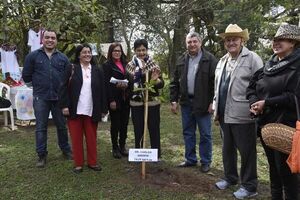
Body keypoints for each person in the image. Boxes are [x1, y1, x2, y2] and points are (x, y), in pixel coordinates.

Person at [247, 23, 300, 200]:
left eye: (281, 39)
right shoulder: (268, 66)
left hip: (287, 126)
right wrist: (254, 102)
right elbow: (251, 87)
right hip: (266, 126)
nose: (276, 42)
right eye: (274, 40)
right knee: (273, 171)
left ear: (293, 42)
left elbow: (295, 96)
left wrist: (267, 102)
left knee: (287, 175)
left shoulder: (297, 65)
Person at [213, 24, 263, 199]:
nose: (231, 42)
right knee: (227, 149)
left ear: (242, 40)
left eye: (234, 38)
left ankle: (250, 186)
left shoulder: (253, 59)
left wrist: (257, 107)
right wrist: (215, 104)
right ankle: (230, 177)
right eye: (228, 39)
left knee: (247, 151)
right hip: (224, 113)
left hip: (243, 114)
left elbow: (261, 86)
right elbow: (218, 87)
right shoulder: (222, 60)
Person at [22, 29, 72, 168]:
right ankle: (41, 155)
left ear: (56, 41)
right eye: (47, 37)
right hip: (41, 97)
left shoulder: (63, 58)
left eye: (53, 38)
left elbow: (68, 78)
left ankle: (65, 150)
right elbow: (26, 76)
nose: (50, 40)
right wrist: (38, 88)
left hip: (58, 98)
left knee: (61, 126)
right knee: (41, 127)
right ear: (42, 40)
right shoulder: (32, 56)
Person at [169, 32, 217, 172]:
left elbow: (215, 83)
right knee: (188, 132)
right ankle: (190, 159)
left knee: (205, 134)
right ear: (186, 44)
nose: (192, 44)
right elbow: (174, 82)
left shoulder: (210, 59)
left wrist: (212, 102)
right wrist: (173, 100)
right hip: (186, 103)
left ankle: (206, 161)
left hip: (203, 102)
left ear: (200, 43)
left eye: (195, 41)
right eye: (189, 42)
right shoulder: (181, 59)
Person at [59, 44, 107, 173]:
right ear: (79, 55)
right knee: (76, 138)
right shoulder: (71, 68)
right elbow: (62, 87)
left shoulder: (97, 70)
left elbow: (103, 90)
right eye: (84, 52)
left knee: (92, 138)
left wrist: (103, 108)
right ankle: (78, 163)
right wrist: (64, 106)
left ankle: (92, 162)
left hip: (91, 109)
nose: (87, 54)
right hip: (74, 109)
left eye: (89, 52)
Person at [126, 39, 164, 159]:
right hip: (136, 103)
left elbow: (161, 83)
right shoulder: (130, 66)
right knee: (138, 129)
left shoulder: (154, 64)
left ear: (147, 50)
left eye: (143, 50)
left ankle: (156, 155)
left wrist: (155, 80)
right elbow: (131, 83)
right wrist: (141, 73)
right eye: (138, 50)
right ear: (135, 51)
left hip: (152, 102)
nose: (141, 53)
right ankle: (139, 155)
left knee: (154, 128)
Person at [103, 43, 130, 159]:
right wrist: (111, 100)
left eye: (119, 50)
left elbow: (131, 78)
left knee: (124, 124)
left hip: (125, 98)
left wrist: (126, 85)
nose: (117, 52)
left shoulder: (126, 64)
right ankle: (115, 148)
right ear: (110, 52)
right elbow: (106, 84)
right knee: (116, 124)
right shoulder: (107, 65)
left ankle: (122, 146)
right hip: (114, 99)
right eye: (114, 51)